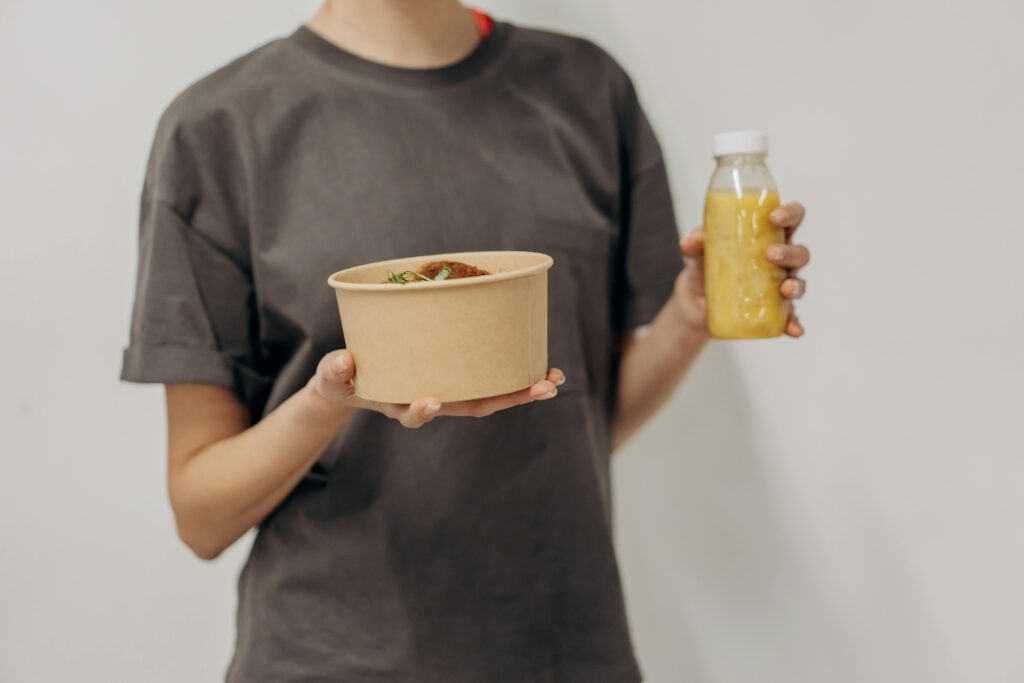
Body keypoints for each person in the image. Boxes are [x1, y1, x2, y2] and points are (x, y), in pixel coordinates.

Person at [120, 1, 811, 681]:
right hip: (332, 659)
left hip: (567, 651)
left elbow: (585, 416)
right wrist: (331, 401)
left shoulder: (589, 91)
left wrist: (691, 314)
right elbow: (200, 513)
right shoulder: (218, 129)